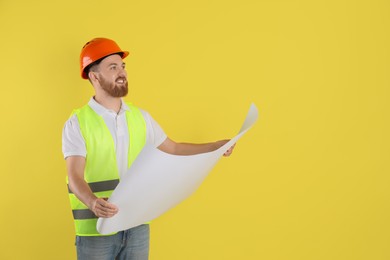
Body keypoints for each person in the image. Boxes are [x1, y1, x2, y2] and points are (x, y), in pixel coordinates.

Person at [62, 37, 235, 260]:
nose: (122, 72)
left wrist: (214, 147)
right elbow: (74, 176)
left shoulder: (140, 117)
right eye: (113, 67)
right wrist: (93, 202)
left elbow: (172, 148)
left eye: (122, 66)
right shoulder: (78, 122)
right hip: (97, 230)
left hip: (137, 224)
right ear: (94, 76)